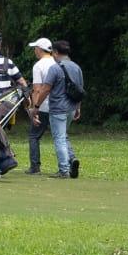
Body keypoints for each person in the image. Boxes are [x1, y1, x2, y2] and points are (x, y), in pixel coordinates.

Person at [38, 39, 84, 179]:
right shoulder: (76, 67)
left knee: (59, 138)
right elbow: (80, 89)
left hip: (58, 108)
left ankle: (63, 169)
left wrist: (36, 105)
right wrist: (78, 108)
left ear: (55, 52)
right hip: (71, 108)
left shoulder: (55, 68)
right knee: (63, 136)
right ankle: (72, 159)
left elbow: (45, 89)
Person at [24, 37, 55, 175]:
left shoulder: (38, 66)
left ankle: (35, 166)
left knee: (34, 136)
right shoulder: (57, 62)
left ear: (40, 49)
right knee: (61, 136)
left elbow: (37, 89)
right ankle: (69, 161)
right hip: (58, 105)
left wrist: (34, 108)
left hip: (43, 105)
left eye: (35, 48)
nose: (34, 51)